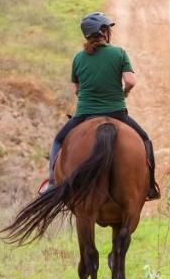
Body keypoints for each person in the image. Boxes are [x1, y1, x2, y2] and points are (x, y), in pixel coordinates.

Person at [47, 12, 160, 200]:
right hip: (116, 112)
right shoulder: (119, 53)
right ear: (104, 32)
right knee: (145, 140)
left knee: (58, 141)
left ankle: (51, 184)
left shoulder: (78, 58)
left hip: (84, 114)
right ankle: (149, 186)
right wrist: (125, 93)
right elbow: (130, 81)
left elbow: (77, 89)